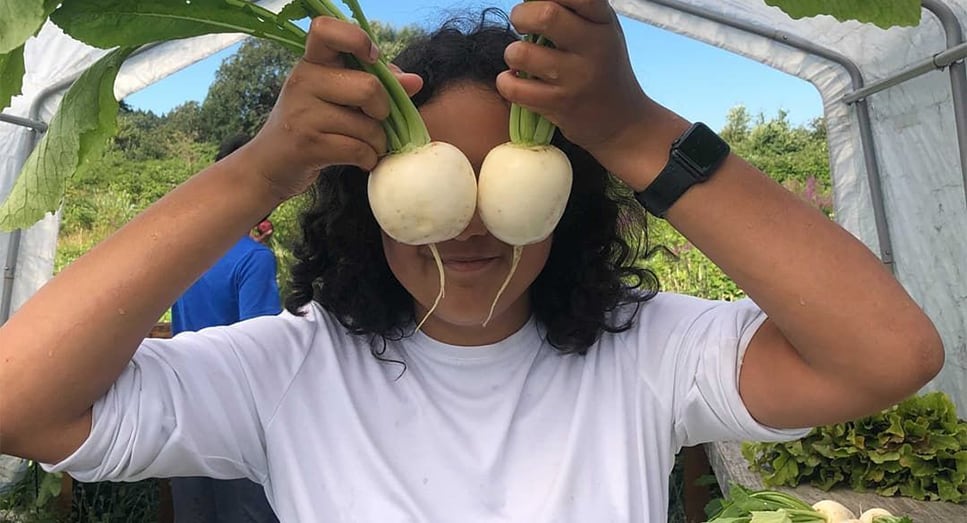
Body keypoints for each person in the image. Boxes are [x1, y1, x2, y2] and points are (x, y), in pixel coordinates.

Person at [0, 3, 944, 521]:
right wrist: (261, 167)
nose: (469, 227)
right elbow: (18, 401)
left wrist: (634, 126)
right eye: (436, 186)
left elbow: (886, 353)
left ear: (567, 199)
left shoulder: (649, 352)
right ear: (361, 202)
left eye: (506, 180)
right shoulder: (287, 368)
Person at [167, 135, 282, 523]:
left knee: (194, 511)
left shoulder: (188, 250)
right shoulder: (255, 260)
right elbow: (261, 347)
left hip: (183, 408)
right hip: (237, 416)